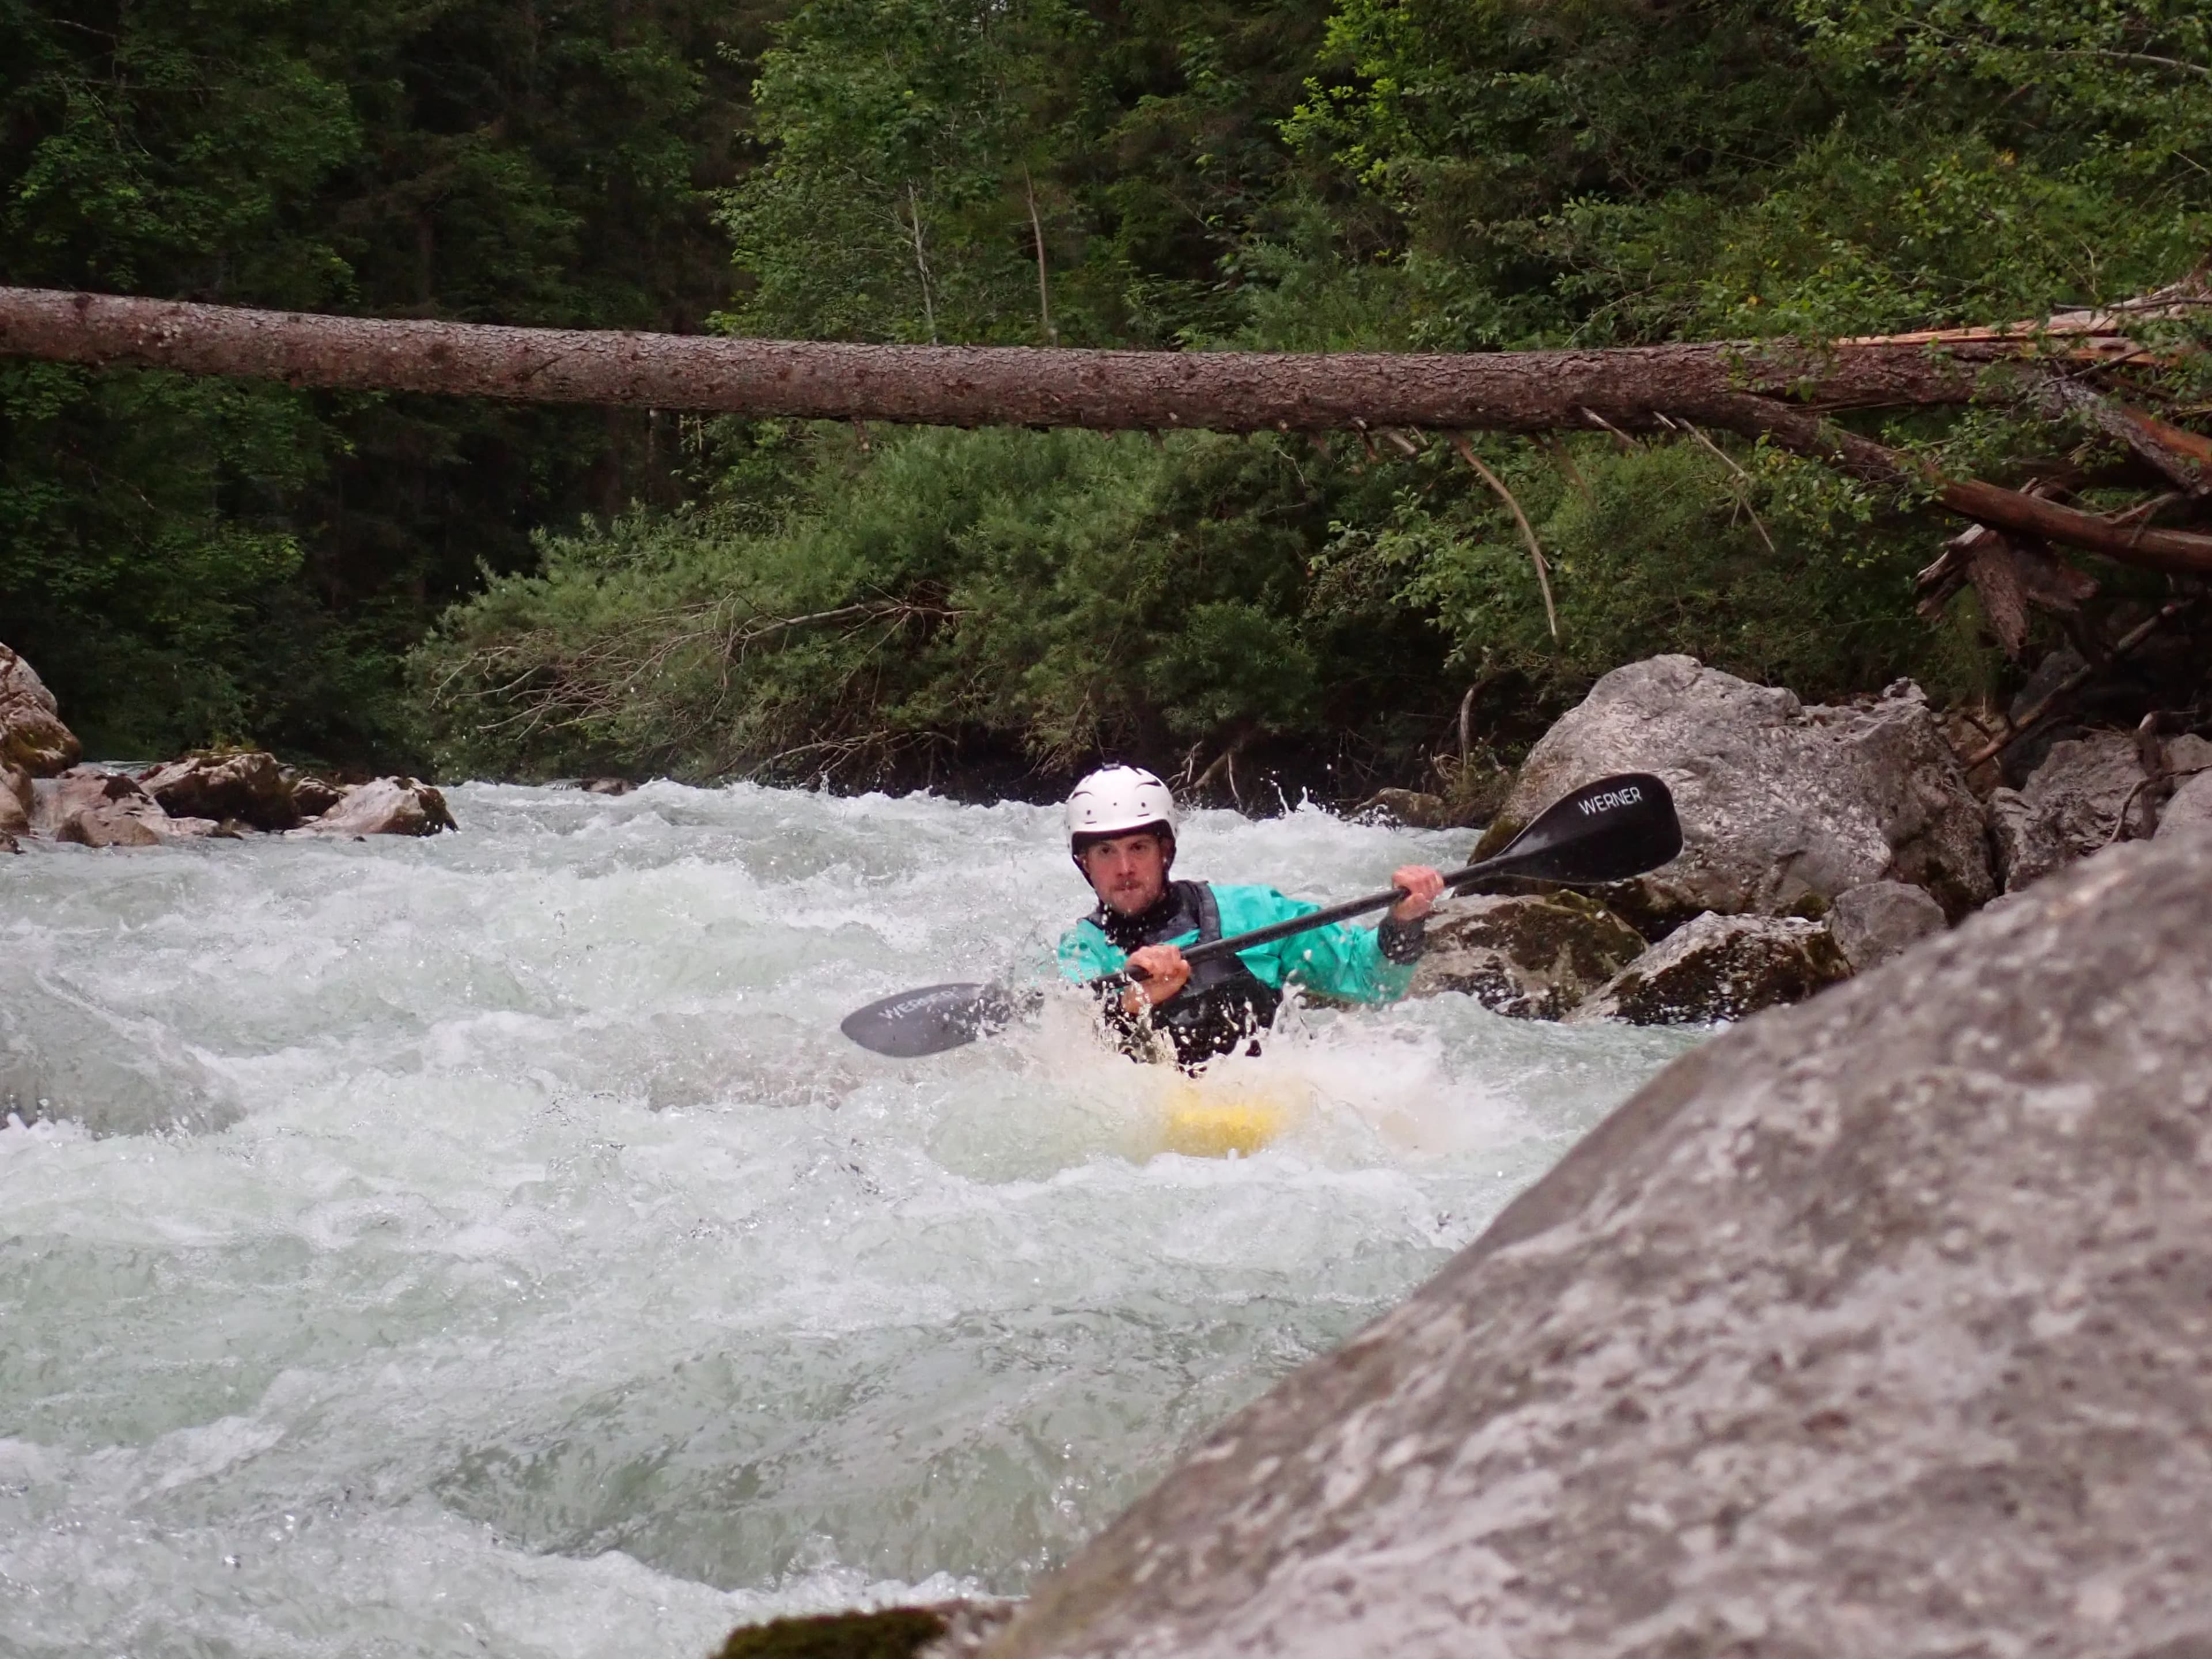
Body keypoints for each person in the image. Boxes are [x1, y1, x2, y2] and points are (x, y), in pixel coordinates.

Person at [1055, 764, 1446, 1066]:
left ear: (1165, 851)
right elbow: (1075, 1057)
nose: (1124, 868)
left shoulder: (1255, 912)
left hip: (1275, 1110)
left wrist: (1405, 921)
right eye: (1106, 851)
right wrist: (1134, 1001)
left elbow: (1371, 980)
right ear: (1084, 863)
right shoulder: (1081, 954)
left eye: (1138, 847)